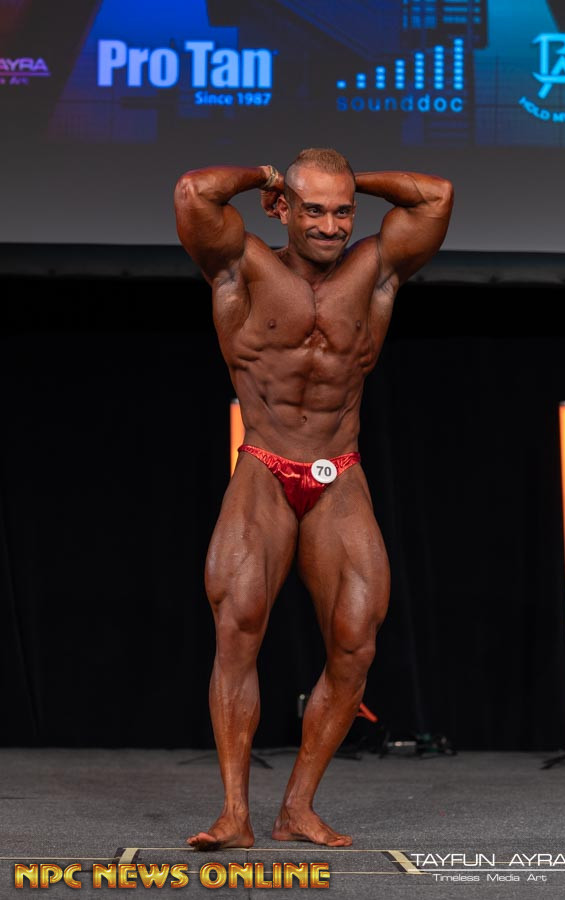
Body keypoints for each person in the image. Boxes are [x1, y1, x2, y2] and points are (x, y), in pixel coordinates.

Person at [173, 148, 453, 850]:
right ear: (283, 210)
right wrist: (269, 176)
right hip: (266, 467)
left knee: (356, 642)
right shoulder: (241, 265)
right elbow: (195, 191)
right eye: (315, 210)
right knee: (238, 626)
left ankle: (297, 806)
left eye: (342, 210)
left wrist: (352, 179)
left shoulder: (375, 269)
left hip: (340, 471)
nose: (331, 226)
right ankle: (234, 814)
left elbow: (436, 196)